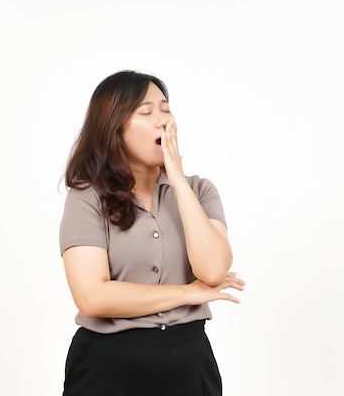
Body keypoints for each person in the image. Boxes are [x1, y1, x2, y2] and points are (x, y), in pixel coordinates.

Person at [58, 70, 245, 396]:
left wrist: (176, 180)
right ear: (114, 129)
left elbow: (213, 271)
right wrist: (187, 293)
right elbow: (92, 297)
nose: (162, 121)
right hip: (108, 366)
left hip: (189, 365)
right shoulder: (88, 197)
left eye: (166, 109)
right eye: (146, 112)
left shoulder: (200, 191)